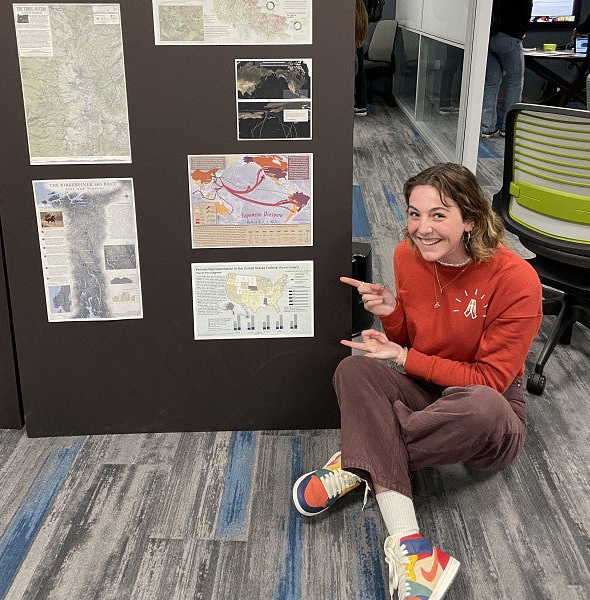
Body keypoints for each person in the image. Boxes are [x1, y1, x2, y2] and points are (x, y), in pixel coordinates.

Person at [292, 163, 543, 599]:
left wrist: (406, 357)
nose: (422, 229)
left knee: (482, 404)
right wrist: (391, 315)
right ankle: (412, 547)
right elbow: (411, 340)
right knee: (353, 367)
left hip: (487, 410)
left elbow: (489, 379)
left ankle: (359, 460)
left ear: (470, 220)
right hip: (424, 388)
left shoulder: (516, 280)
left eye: (438, 215)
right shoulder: (407, 255)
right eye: (414, 213)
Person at [480, 0, 533, 137]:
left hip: (490, 35)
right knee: (515, 82)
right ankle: (508, 127)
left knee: (491, 84)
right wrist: (521, 33)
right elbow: (526, 11)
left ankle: (487, 127)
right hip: (509, 37)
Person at [354, 0, 369, 116]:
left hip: (353, 41)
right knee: (360, 70)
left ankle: (360, 104)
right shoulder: (361, 7)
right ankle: (361, 105)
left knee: (357, 70)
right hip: (357, 41)